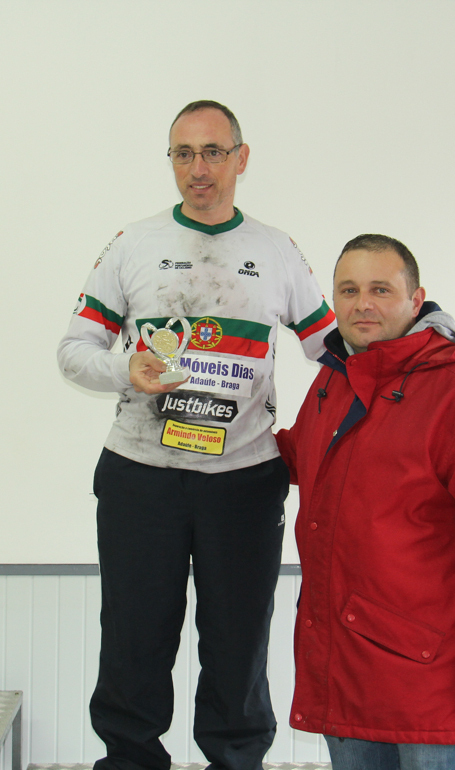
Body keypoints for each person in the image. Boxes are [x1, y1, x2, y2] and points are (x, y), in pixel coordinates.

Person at [57, 100, 336, 770]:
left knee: (238, 643)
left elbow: (334, 351)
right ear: (172, 161)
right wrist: (126, 368)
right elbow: (74, 352)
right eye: (183, 154)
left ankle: (236, 759)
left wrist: (417, 349)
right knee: (134, 640)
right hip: (140, 476)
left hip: (244, 480)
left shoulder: (276, 250)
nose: (198, 168)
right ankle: (129, 760)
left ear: (242, 158)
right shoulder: (133, 243)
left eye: (213, 152)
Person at [276, 234, 455, 770]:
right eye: (349, 290)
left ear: (416, 298)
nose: (363, 304)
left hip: (435, 691)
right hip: (346, 678)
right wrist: (210, 436)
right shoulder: (335, 380)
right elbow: (299, 456)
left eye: (380, 289)